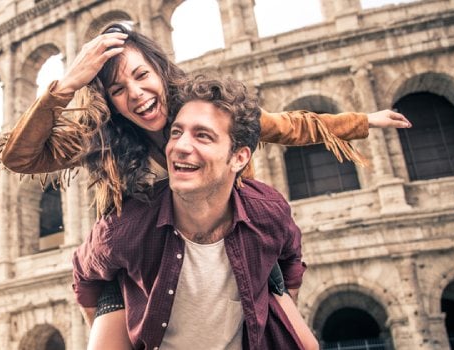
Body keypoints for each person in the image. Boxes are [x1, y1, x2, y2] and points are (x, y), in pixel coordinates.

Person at [0, 22, 410, 349]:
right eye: (119, 90)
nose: (137, 95)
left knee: (303, 342)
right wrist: (67, 85)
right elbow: (20, 157)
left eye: (142, 76)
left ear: (159, 69)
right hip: (142, 264)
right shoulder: (104, 135)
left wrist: (364, 121)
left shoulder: (205, 112)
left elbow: (290, 125)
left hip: (233, 243)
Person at [73, 75, 311, 349]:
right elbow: (84, 275)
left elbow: (291, 258)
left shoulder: (268, 210)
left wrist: (283, 307)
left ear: (239, 157)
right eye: (176, 132)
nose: (180, 147)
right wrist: (104, 327)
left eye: (203, 136)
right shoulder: (125, 227)